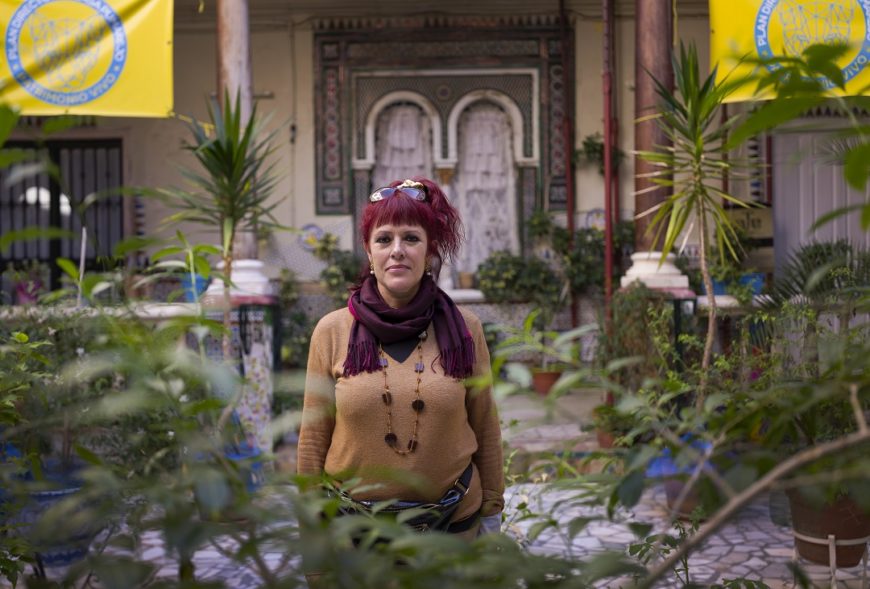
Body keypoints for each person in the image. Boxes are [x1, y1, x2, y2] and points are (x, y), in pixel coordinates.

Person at [297, 177, 504, 540]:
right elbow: (313, 438)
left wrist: (492, 510)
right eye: (384, 239)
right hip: (354, 532)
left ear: (429, 250)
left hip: (452, 527)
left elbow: (485, 424)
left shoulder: (465, 330)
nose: (397, 250)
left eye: (411, 238)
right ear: (368, 251)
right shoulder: (332, 332)